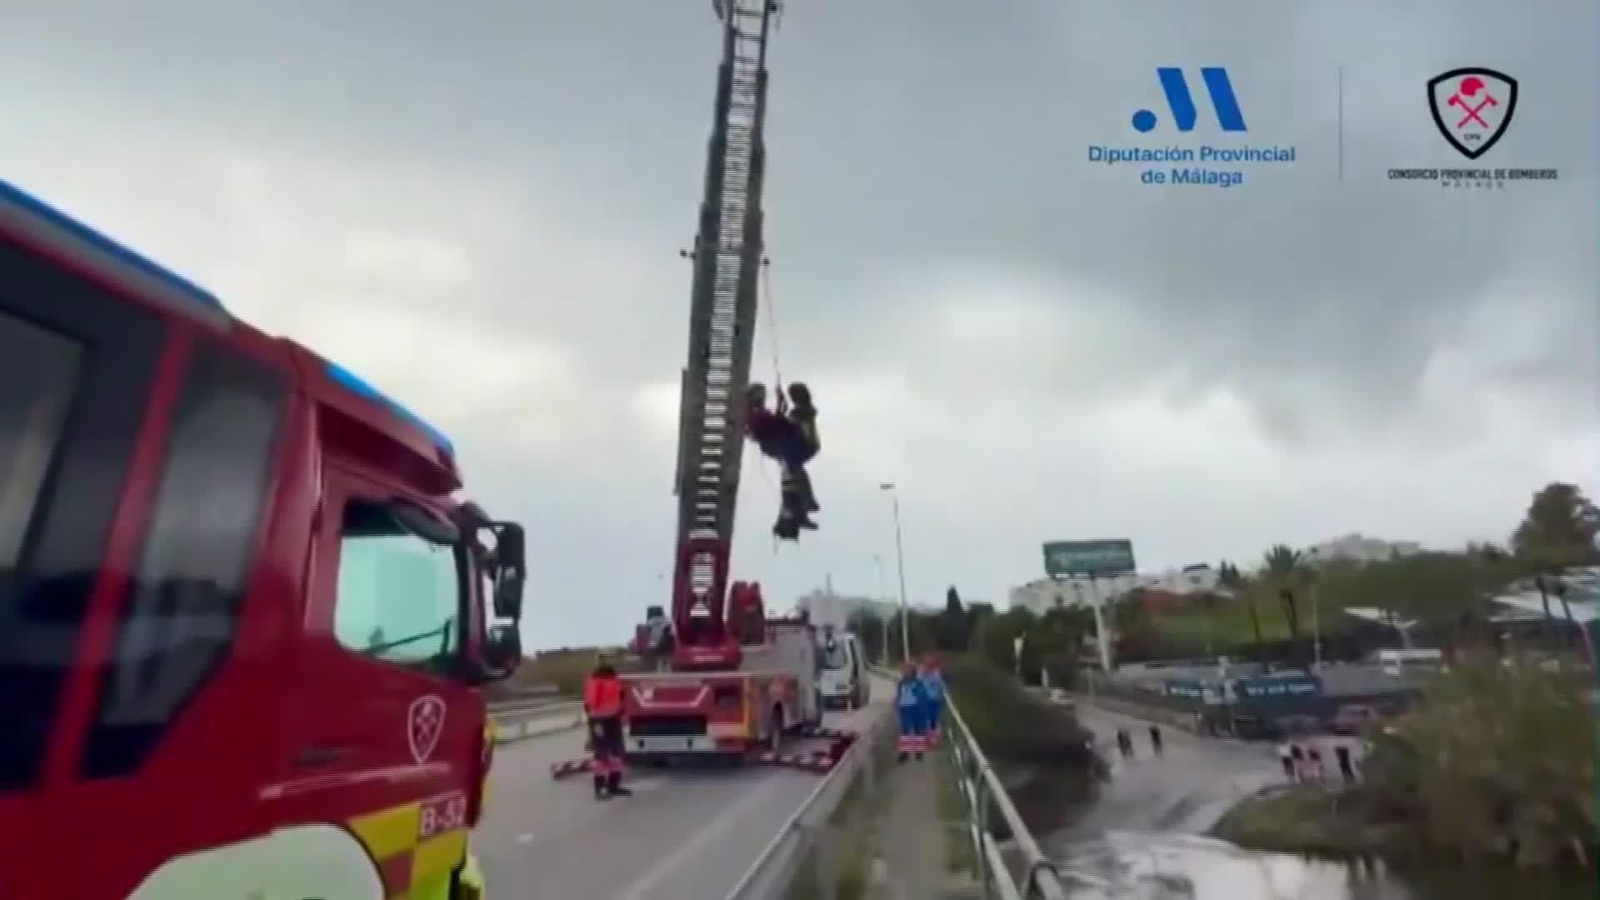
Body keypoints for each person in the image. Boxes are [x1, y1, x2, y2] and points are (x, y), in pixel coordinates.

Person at [745, 382, 821, 538]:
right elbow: (772, 424)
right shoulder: (754, 414)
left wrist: (781, 405)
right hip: (780, 443)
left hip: (785, 443)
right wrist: (783, 411)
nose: (762, 397)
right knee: (793, 471)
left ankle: (800, 508)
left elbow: (777, 422)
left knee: (793, 471)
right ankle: (801, 508)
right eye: (759, 394)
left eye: (762, 394)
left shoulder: (758, 413)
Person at [583, 654, 632, 800]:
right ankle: (601, 789)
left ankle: (613, 786)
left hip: (612, 719)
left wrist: (622, 715)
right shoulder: (596, 681)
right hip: (600, 721)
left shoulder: (615, 680)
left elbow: (620, 700)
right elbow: (590, 703)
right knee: (601, 755)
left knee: (617, 753)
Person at [895, 663, 928, 762]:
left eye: (906, 671)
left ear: (912, 672)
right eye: (903, 671)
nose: (904, 672)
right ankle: (904, 752)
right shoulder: (901, 683)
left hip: (916, 708)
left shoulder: (918, 683)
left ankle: (919, 752)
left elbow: (922, 696)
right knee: (904, 731)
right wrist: (897, 703)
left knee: (918, 730)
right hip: (905, 709)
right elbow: (899, 695)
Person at [918, 657, 946, 747]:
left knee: (934, 720)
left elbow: (940, 685)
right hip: (924, 699)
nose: (928, 667)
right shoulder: (921, 673)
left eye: (930, 665)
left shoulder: (936, 674)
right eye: (926, 664)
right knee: (924, 719)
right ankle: (925, 738)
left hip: (935, 700)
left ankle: (933, 740)